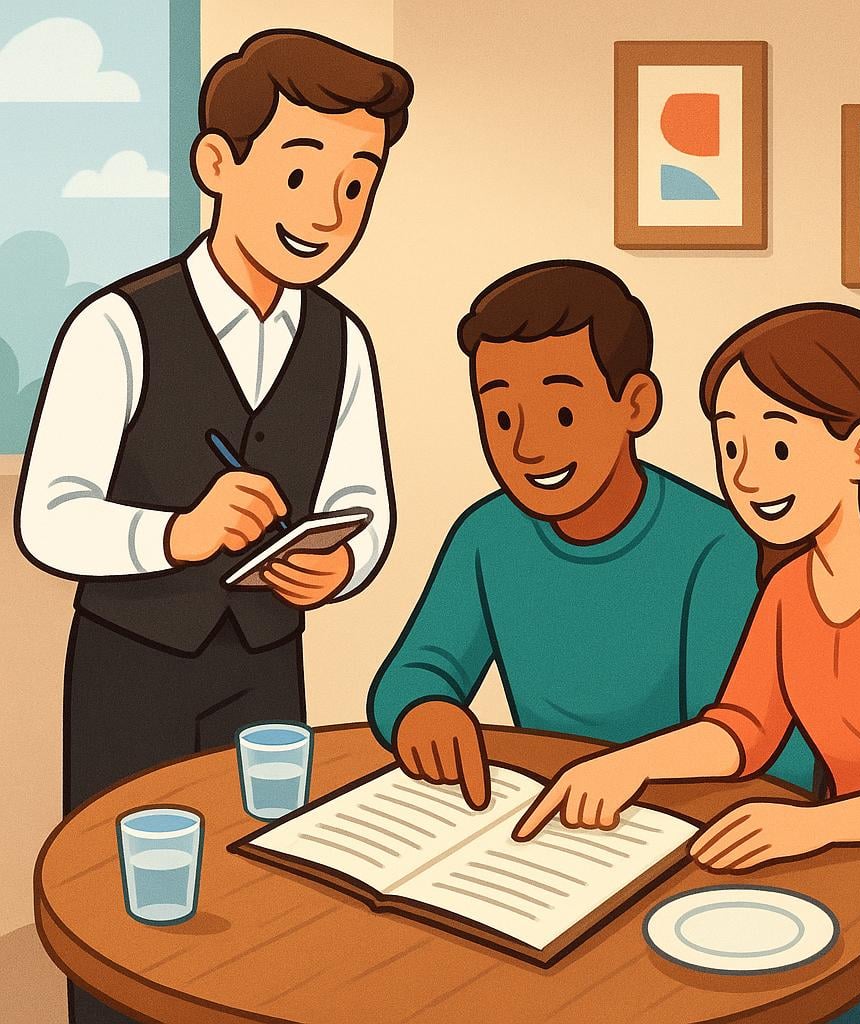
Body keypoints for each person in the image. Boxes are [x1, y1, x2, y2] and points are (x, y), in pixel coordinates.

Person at [16, 31, 412, 1024]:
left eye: (356, 183)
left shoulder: (343, 339)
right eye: (298, 169)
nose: (327, 210)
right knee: (119, 905)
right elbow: (46, 516)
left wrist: (345, 565)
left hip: (268, 666)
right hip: (131, 665)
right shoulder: (116, 327)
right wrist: (173, 536)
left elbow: (370, 497)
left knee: (264, 895)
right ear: (217, 165)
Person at [514, 303, 860, 1023]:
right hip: (848, 869)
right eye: (730, 448)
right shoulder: (789, 588)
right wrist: (626, 764)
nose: (747, 477)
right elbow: (742, 729)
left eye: (778, 448)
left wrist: (808, 827)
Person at [368, 261, 816, 809]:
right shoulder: (487, 537)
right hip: (554, 820)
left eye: (561, 413)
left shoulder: (717, 547)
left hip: (686, 827)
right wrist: (425, 710)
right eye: (503, 418)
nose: (528, 448)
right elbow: (415, 670)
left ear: (635, 404)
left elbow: (755, 747)